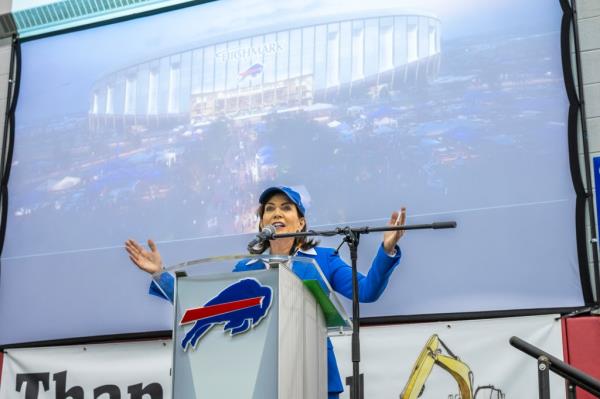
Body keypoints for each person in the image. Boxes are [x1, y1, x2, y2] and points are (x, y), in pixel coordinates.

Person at [125, 185, 406, 399]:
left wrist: (387, 250)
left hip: (314, 377)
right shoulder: (246, 267)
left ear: (301, 222)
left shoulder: (323, 259)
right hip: (256, 376)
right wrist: (160, 274)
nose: (276, 213)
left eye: (286, 207)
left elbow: (367, 291)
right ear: (262, 224)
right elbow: (211, 308)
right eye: (269, 209)